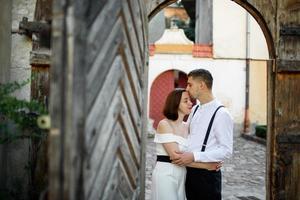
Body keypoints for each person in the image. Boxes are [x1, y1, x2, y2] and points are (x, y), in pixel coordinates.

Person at [172, 69, 233, 200]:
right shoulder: (194, 109)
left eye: (190, 84)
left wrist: (194, 156)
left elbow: (226, 150)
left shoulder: (222, 114)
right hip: (188, 172)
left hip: (207, 176)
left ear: (202, 85)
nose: (187, 88)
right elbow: (186, 136)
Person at [151, 88, 221, 200]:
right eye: (185, 101)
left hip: (183, 175)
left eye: (190, 100)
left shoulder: (187, 126)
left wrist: (212, 157)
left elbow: (197, 147)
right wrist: (207, 166)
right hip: (166, 175)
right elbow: (176, 158)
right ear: (175, 104)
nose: (190, 103)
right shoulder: (164, 124)